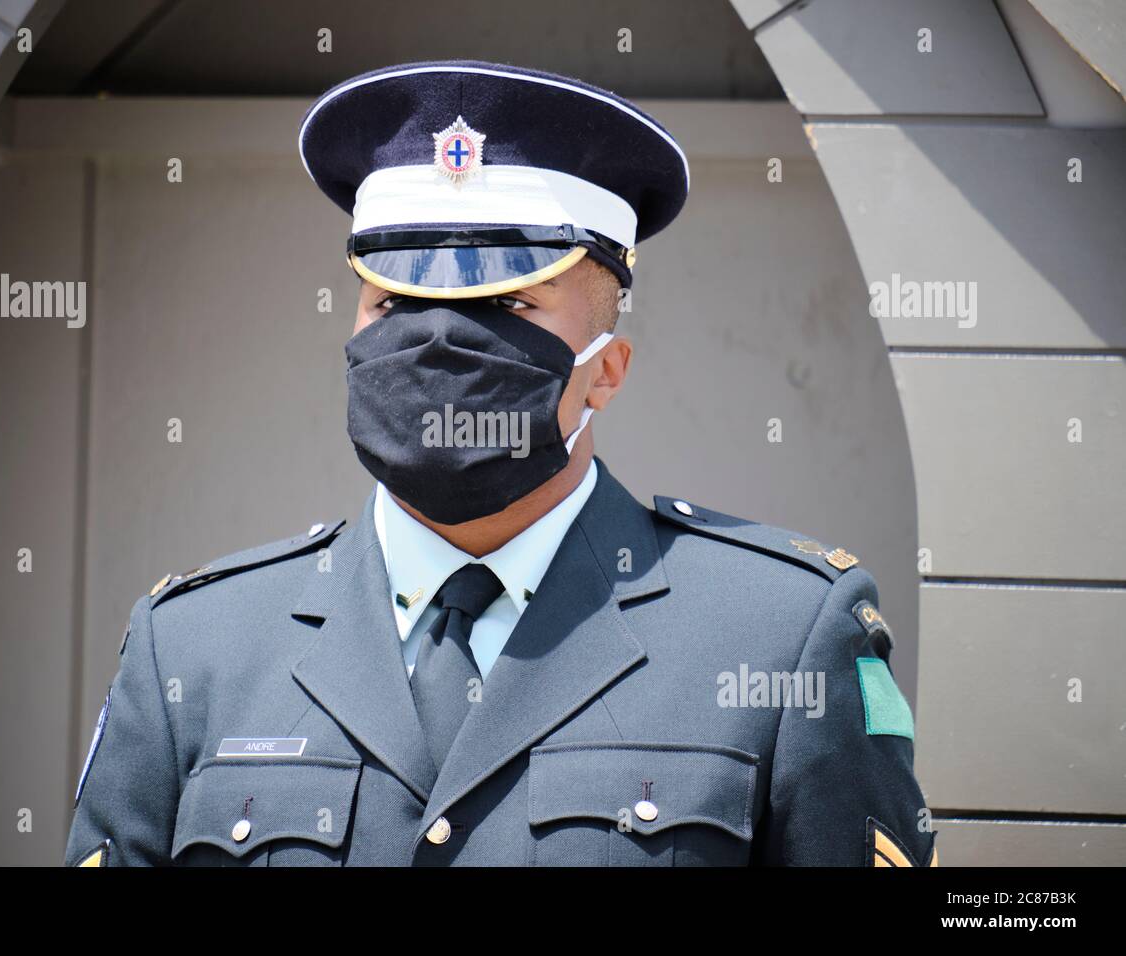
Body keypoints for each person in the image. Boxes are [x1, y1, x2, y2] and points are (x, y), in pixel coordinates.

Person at [64, 59, 937, 867]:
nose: (440, 338)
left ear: (607, 370)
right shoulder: (193, 647)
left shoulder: (779, 636)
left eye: (507, 301)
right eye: (398, 301)